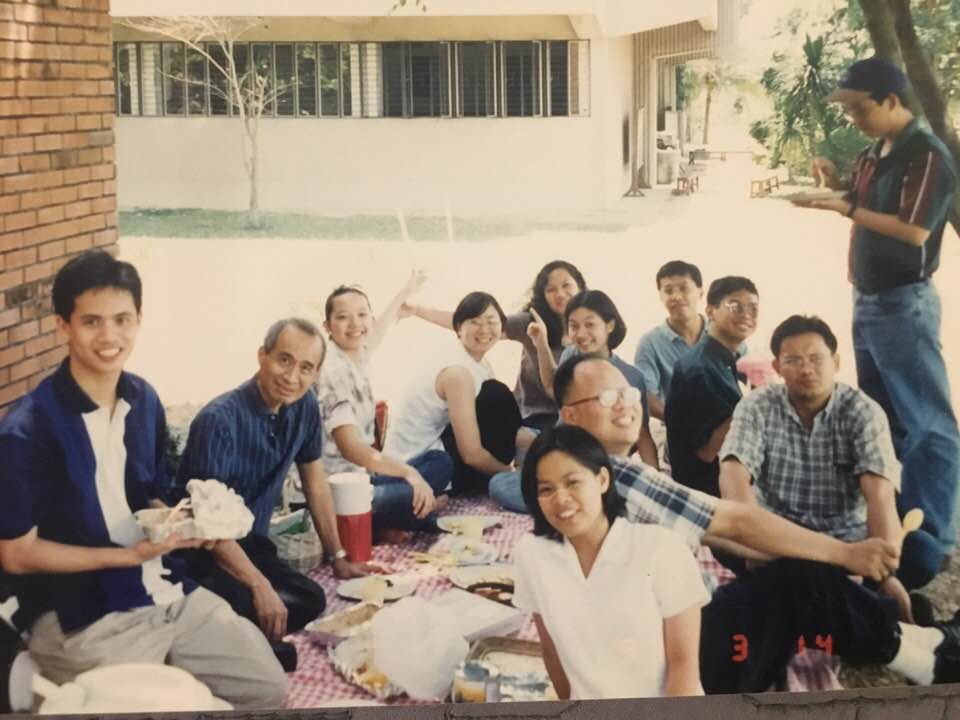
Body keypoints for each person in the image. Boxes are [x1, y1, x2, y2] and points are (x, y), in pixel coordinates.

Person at [553, 353, 960, 693]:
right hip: (685, 664)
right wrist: (847, 555)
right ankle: (931, 656)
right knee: (802, 580)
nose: (625, 404)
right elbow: (735, 522)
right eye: (608, 397)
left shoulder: (571, 471)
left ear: (834, 362)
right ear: (570, 416)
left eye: (628, 392)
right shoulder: (617, 475)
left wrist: (836, 555)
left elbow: (727, 531)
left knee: (802, 575)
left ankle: (923, 642)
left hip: (651, 651)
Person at [0, 251, 285, 709]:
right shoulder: (29, 429)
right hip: (80, 614)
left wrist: (188, 523)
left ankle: (131, 677)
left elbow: (150, 495)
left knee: (266, 688)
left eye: (122, 319)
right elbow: (15, 555)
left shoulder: (143, 398)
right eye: (91, 321)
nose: (110, 336)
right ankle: (40, 681)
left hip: (162, 588)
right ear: (63, 326)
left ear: (139, 320)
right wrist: (125, 555)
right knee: (165, 705)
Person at [798, 56, 960, 589]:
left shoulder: (928, 154)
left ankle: (933, 538)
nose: (855, 120)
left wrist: (843, 210)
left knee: (928, 425)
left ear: (892, 100)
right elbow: (860, 200)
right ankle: (891, 522)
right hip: (867, 300)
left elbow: (913, 232)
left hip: (903, 303)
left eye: (860, 109)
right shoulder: (876, 152)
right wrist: (834, 186)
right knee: (882, 419)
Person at [175, 318, 375, 668]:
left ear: (315, 374)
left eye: (306, 368)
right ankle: (237, 642)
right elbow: (204, 524)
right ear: (262, 356)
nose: (292, 376)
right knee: (244, 598)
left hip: (251, 543)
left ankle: (240, 638)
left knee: (309, 598)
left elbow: (315, 482)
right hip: (200, 552)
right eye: (284, 360)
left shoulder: (305, 406)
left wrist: (337, 555)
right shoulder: (218, 420)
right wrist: (258, 586)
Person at [718, 314, 912, 619]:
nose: (806, 369)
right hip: (776, 538)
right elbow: (733, 472)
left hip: (847, 540)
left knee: (921, 553)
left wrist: (885, 573)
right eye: (793, 360)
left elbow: (880, 494)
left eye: (815, 358)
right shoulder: (757, 405)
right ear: (777, 367)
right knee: (723, 541)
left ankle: (822, 589)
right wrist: (749, 532)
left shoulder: (863, 411)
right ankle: (837, 594)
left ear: (835, 361)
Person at [513, 425, 708, 699]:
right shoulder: (531, 554)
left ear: (603, 480)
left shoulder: (661, 548)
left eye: (572, 482)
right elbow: (551, 651)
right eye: (546, 489)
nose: (561, 499)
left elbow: (684, 665)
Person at [488, 289, 658, 513]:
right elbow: (552, 387)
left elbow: (642, 433)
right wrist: (541, 342)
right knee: (500, 480)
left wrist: (654, 482)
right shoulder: (571, 355)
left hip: (592, 463)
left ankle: (578, 503)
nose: (581, 334)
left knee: (521, 482)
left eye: (590, 325)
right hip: (560, 448)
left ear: (609, 325)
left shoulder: (630, 375)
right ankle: (573, 502)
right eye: (574, 326)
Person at [317, 276, 452, 539]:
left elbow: (377, 331)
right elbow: (352, 449)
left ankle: (404, 513)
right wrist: (408, 473)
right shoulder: (334, 372)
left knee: (440, 462)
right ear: (328, 326)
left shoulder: (356, 353)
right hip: (337, 493)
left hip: (363, 480)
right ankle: (396, 518)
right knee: (412, 488)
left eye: (362, 314)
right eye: (344, 317)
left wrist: (405, 292)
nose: (356, 323)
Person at [402, 260, 586, 430]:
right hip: (534, 416)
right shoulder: (532, 323)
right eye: (551, 289)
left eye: (566, 285)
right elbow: (475, 323)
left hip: (578, 415)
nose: (560, 294)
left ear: (579, 285)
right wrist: (417, 310)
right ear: (542, 295)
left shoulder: (592, 326)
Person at [384, 292, 522, 496]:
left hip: (434, 447)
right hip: (418, 464)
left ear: (501, 326)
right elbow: (471, 454)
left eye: (491, 321)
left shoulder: (479, 363)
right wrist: (511, 473)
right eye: (474, 322)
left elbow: (507, 426)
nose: (484, 329)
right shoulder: (458, 373)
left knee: (495, 395)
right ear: (458, 328)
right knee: (496, 396)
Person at [665, 276, 758, 498]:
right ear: (711, 311)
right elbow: (708, 452)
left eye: (753, 308)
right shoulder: (701, 369)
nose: (746, 314)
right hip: (711, 498)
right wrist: (753, 402)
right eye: (735, 306)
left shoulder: (724, 359)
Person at [634, 261, 707, 421]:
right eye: (668, 290)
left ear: (701, 292)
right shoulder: (650, 343)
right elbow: (647, 395)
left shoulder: (723, 333)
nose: (676, 296)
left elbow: (748, 381)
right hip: (677, 428)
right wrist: (680, 422)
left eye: (684, 288)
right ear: (660, 296)